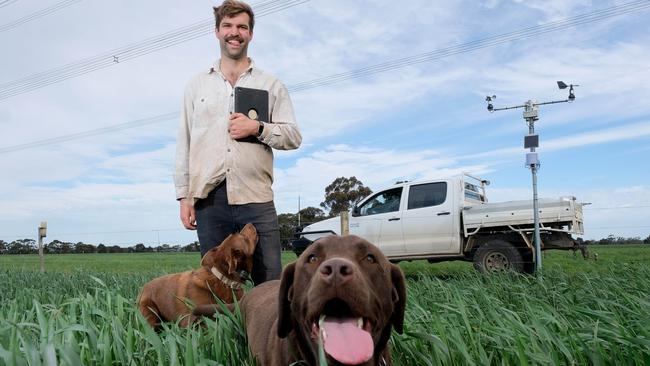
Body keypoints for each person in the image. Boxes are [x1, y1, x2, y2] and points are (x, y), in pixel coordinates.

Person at [174, 0, 301, 285]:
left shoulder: (271, 84)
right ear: (217, 31)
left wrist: (257, 127)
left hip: (256, 198)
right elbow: (185, 141)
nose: (235, 32)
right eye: (228, 26)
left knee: (269, 286)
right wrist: (184, 196)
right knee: (216, 287)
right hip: (210, 200)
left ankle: (263, 332)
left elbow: (293, 136)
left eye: (242, 26)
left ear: (251, 34)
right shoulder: (197, 86)